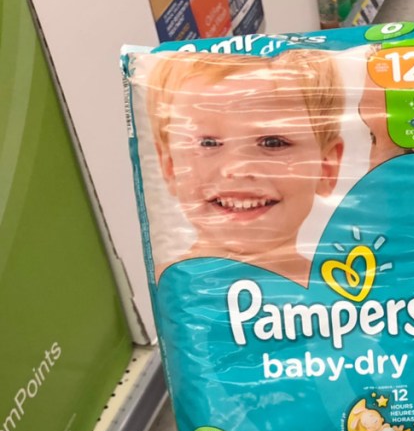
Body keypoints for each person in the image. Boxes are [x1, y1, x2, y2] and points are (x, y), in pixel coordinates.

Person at [143, 50, 346, 285]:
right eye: (208, 143)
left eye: (273, 143)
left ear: (326, 166)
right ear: (169, 166)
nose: (238, 169)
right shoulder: (165, 289)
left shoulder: (347, 290)